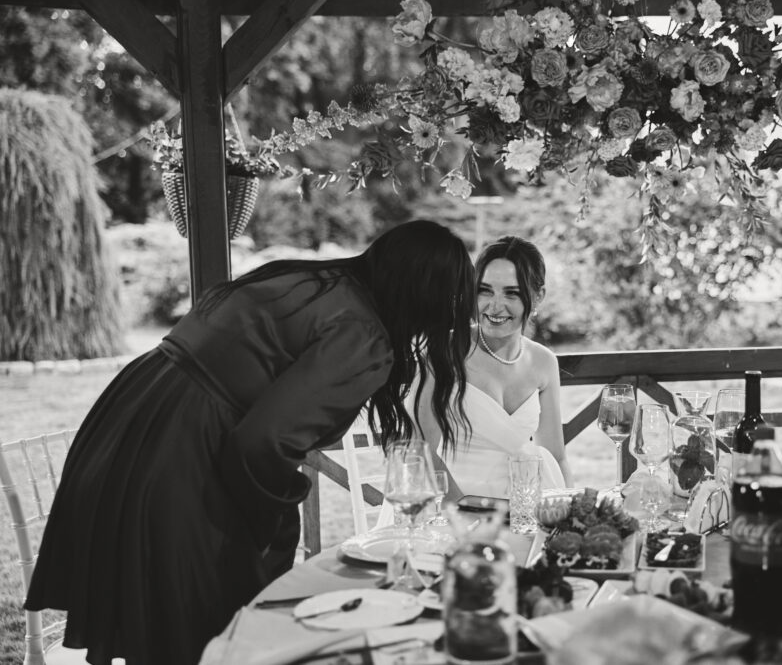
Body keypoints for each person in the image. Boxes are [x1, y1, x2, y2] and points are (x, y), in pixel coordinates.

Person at [25, 220, 476, 665]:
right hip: (183, 450)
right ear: (425, 294)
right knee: (205, 629)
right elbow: (264, 443)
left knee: (164, 623)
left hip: (137, 411)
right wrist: (277, 522)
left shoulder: (310, 280)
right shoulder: (362, 333)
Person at [413, 235, 572, 498]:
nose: (495, 306)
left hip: (523, 505)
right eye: (485, 290)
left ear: (538, 296)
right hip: (449, 502)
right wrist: (465, 509)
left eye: (512, 293)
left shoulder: (543, 362)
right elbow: (421, 452)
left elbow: (557, 456)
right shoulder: (443, 352)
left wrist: (572, 508)